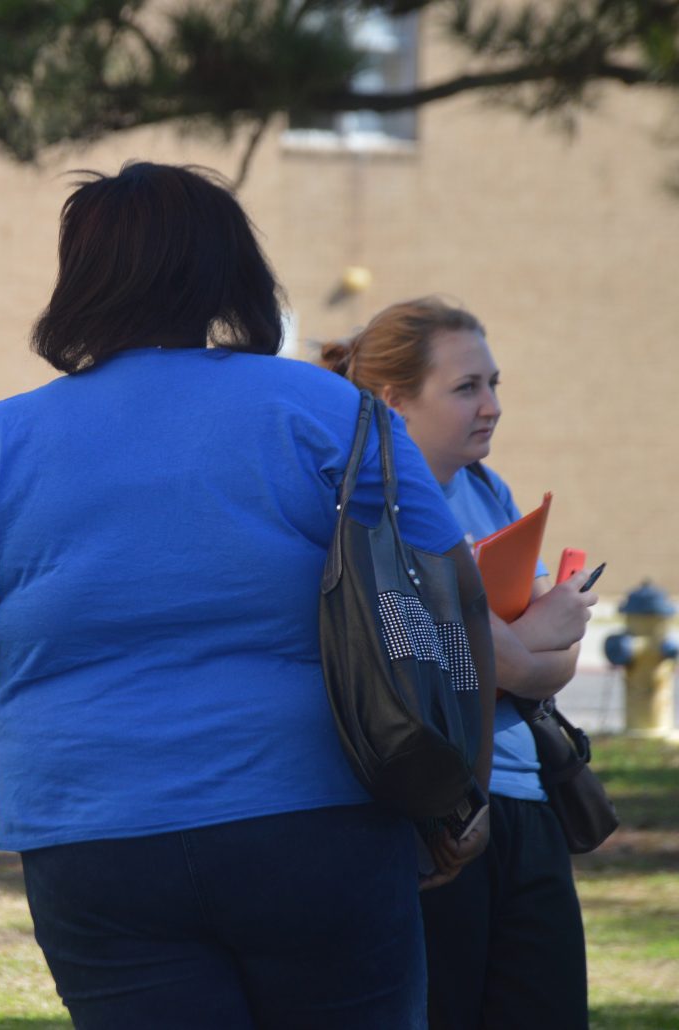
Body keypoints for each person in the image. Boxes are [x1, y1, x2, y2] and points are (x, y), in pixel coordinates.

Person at [0, 162, 496, 1028]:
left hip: (94, 835)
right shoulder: (330, 410)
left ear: (80, 280)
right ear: (232, 269)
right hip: (318, 814)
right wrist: (460, 789)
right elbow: (446, 599)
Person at [323, 296, 595, 1029]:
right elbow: (481, 651)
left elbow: (536, 656)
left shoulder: (488, 489)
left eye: (494, 383)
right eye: (467, 387)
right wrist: (529, 642)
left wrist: (519, 649)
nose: (493, 407)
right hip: (436, 808)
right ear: (394, 399)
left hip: (524, 800)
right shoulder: (374, 505)